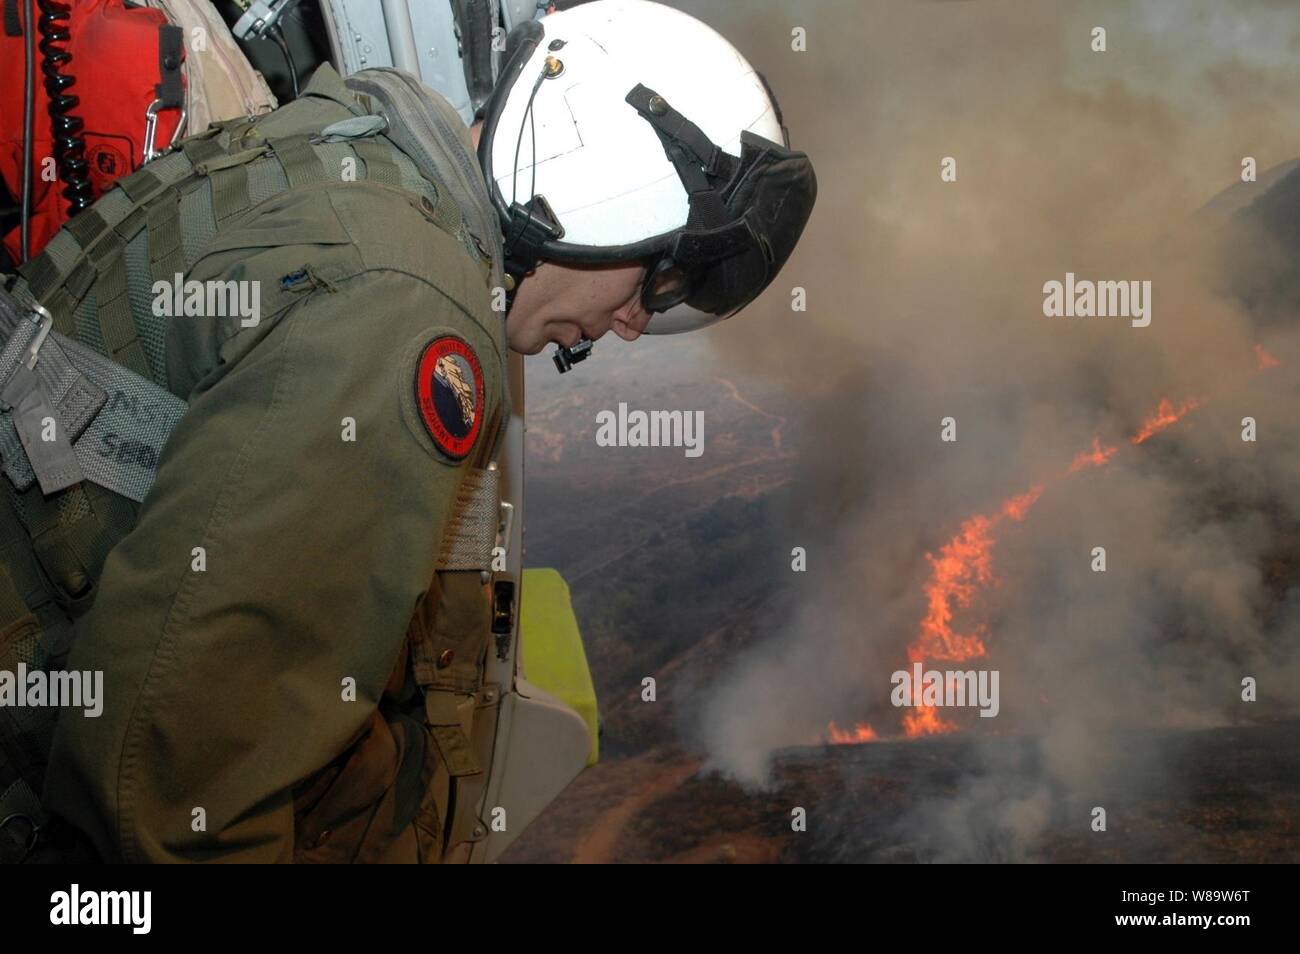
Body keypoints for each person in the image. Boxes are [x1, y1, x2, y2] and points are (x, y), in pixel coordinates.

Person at [0, 0, 814, 863]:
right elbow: (172, 800)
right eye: (657, 281)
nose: (632, 325)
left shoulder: (353, 152)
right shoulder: (408, 313)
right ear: (607, 181)